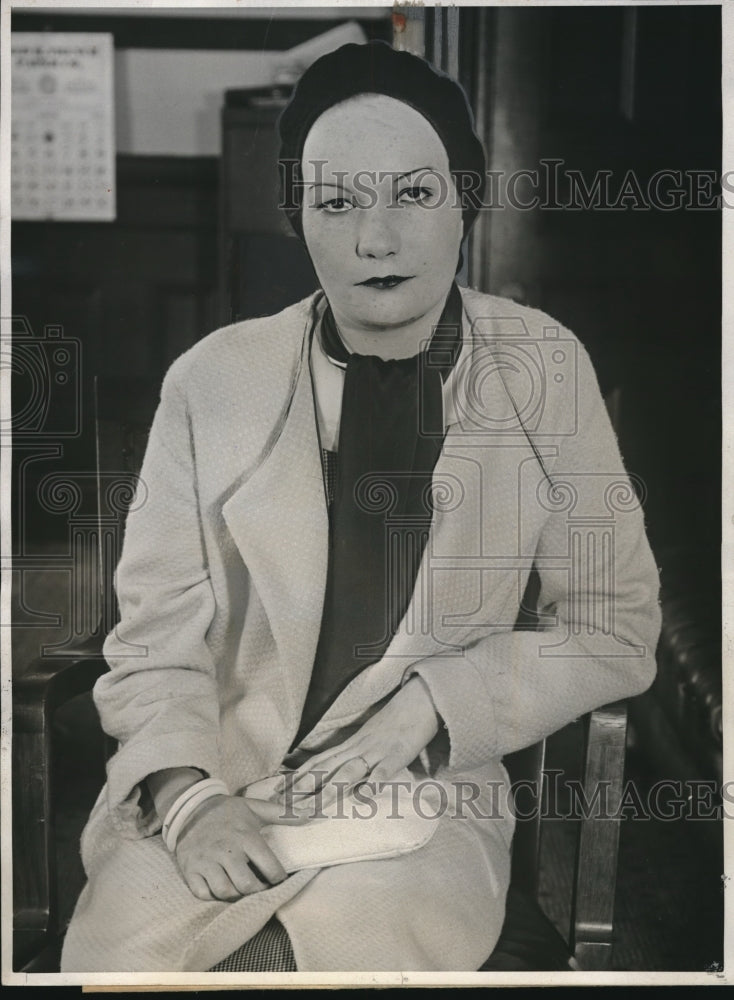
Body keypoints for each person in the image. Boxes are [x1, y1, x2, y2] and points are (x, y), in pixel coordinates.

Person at [61, 40, 661, 973]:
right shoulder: (212, 380)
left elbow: (616, 627)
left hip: (426, 800)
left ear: (466, 197)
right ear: (296, 216)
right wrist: (187, 801)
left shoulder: (544, 368)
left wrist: (434, 700)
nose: (373, 239)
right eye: (336, 203)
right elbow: (152, 645)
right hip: (217, 775)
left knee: (345, 949)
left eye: (414, 195)